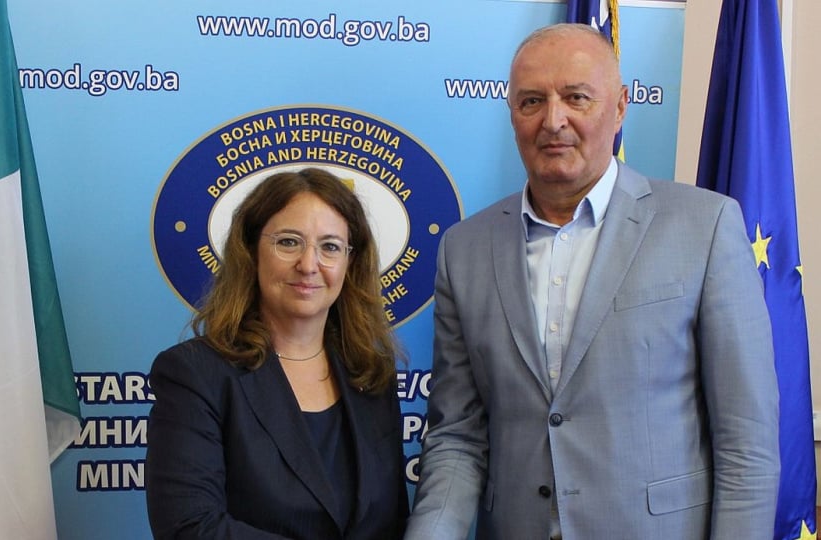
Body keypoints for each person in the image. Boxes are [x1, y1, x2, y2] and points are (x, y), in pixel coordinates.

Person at [405, 23, 780, 540]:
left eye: (576, 97)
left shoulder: (705, 227)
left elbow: (746, 445)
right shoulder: (464, 249)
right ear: (511, 114)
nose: (553, 120)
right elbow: (457, 437)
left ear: (621, 107)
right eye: (531, 101)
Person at [145, 167, 408, 539]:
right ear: (251, 251)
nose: (309, 265)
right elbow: (189, 527)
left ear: (350, 264)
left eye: (330, 247)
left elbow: (393, 521)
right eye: (288, 242)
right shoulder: (195, 374)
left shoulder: (371, 373)